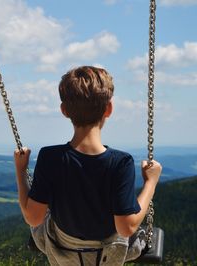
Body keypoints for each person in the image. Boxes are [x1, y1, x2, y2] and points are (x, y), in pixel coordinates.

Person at [14, 66, 162, 266]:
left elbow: (33, 218)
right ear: (109, 109)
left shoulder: (50, 157)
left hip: (62, 252)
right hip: (109, 255)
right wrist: (150, 183)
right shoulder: (121, 163)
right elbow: (126, 228)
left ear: (64, 111)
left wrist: (21, 170)